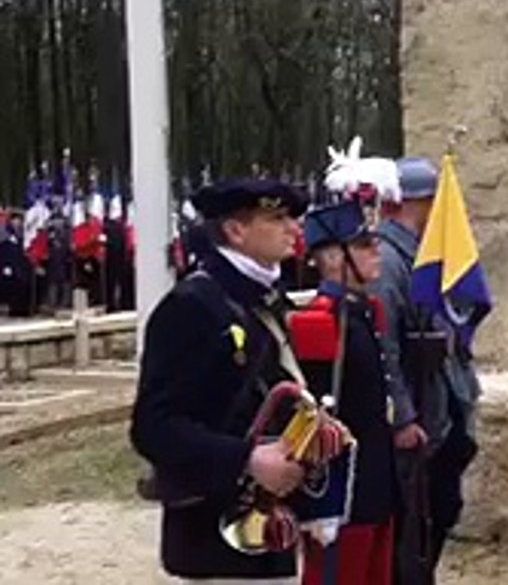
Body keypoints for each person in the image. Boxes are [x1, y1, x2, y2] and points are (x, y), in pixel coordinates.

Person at [130, 179, 310, 583]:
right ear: (235, 231)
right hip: (212, 539)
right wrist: (246, 458)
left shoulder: (265, 298)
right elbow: (153, 427)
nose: (294, 229)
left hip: (271, 526)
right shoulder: (192, 306)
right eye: (277, 218)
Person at [373, 158, 480, 585]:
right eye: (434, 200)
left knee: (441, 507)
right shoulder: (387, 258)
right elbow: (386, 346)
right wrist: (403, 416)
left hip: (445, 397)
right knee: (414, 520)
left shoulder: (424, 254)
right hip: (419, 409)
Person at [297, 200, 398, 585]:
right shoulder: (321, 321)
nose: (377, 252)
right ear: (334, 258)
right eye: (364, 245)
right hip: (341, 490)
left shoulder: (366, 311)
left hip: (375, 479)